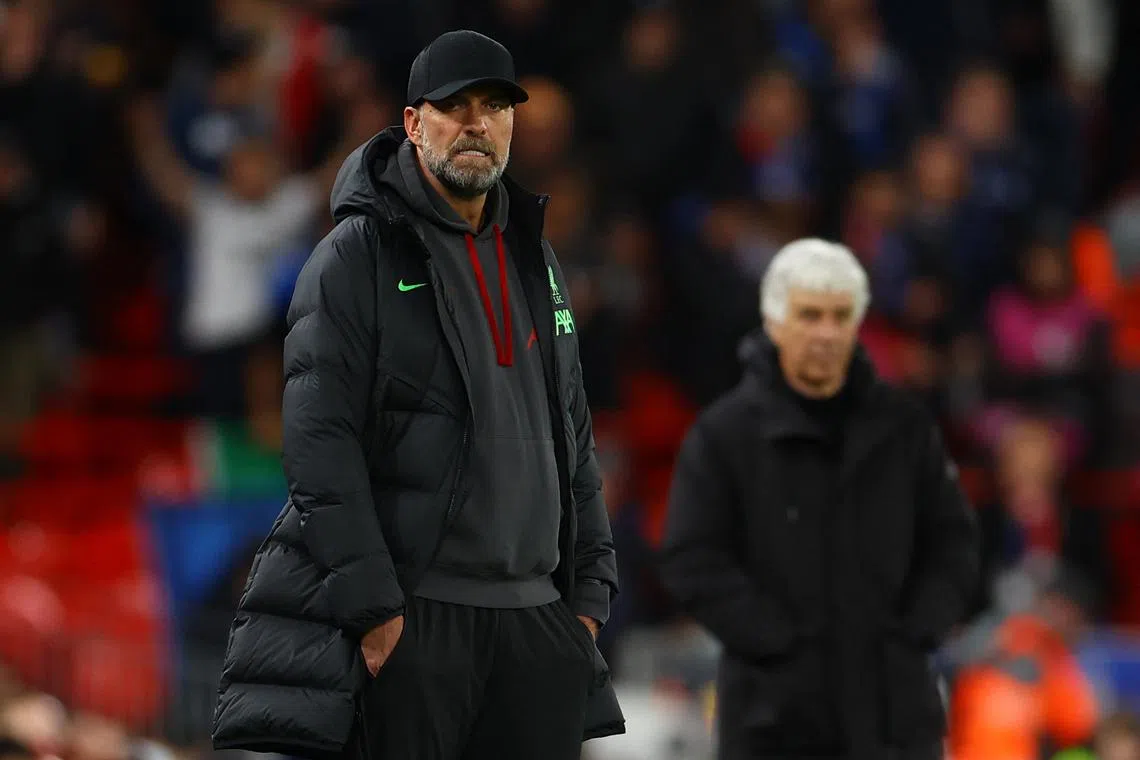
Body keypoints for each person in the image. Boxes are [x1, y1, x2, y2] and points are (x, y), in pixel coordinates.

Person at [211, 29, 622, 760]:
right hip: (419, 619)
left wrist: (587, 599)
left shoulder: (537, 256)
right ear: (411, 122)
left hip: (537, 621)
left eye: (495, 106)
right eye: (454, 106)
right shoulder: (354, 255)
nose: (476, 123)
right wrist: (376, 612)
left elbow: (573, 430)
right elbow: (317, 443)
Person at [659, 238, 980, 760]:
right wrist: (777, 645)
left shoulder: (906, 428)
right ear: (775, 321)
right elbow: (690, 558)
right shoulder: (724, 435)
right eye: (810, 315)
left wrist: (913, 633)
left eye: (840, 316)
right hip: (774, 719)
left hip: (895, 713)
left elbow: (954, 544)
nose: (827, 333)